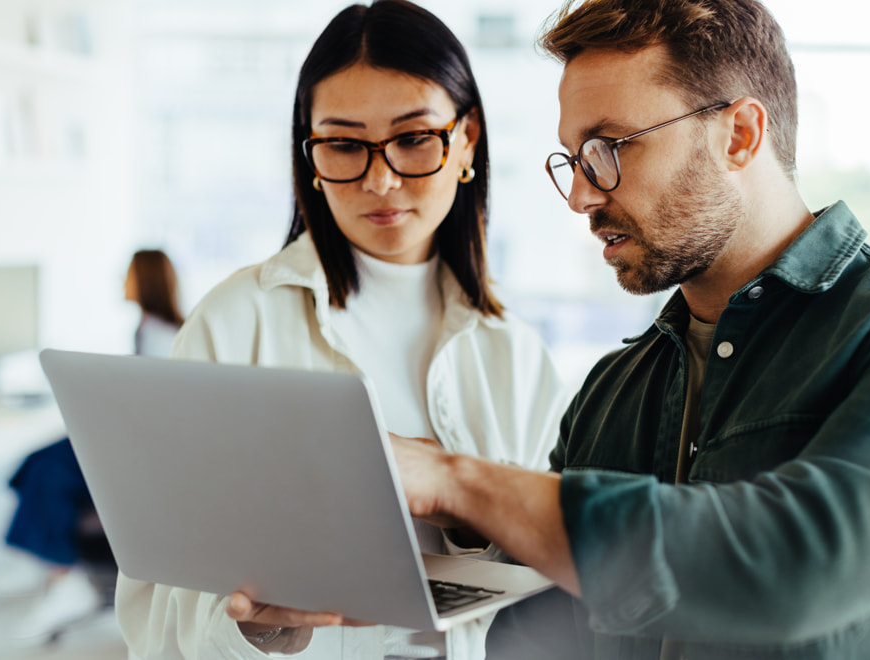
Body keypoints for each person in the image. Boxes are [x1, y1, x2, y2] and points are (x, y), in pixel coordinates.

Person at [389, 0, 870, 658]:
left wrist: (457, 479)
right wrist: (342, 584)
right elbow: (535, 638)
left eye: (608, 148)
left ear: (738, 134)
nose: (581, 196)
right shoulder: (610, 390)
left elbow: (795, 563)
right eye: (572, 159)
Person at [113, 2, 571, 659]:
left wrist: (463, 498)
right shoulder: (234, 322)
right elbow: (154, 618)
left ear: (466, 138)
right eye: (345, 144)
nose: (380, 180)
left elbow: (550, 588)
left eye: (413, 138)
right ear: (310, 152)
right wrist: (261, 630)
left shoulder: (517, 356)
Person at [6, 248, 185, 642]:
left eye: (128, 275)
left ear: (145, 281)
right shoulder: (151, 328)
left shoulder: (159, 336)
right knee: (35, 464)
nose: (122, 282)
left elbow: (153, 414)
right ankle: (48, 563)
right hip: (132, 445)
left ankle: (60, 573)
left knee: (47, 472)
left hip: (142, 459)